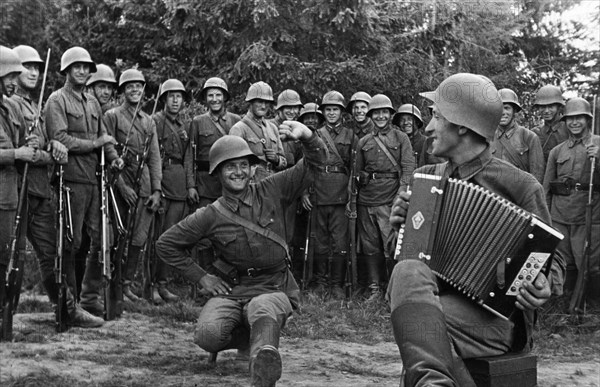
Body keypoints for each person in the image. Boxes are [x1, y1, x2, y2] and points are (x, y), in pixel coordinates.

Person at [386, 73, 565, 386]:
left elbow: (554, 260)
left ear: (462, 126)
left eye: (436, 117)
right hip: (432, 300)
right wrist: (398, 227)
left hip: (494, 319)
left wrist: (545, 283)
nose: (428, 128)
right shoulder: (426, 178)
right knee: (407, 278)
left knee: (416, 324)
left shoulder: (520, 186)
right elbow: (400, 256)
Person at [156, 122, 326, 387]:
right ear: (217, 173)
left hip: (274, 286)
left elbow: (315, 163)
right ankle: (251, 333)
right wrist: (202, 278)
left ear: (252, 168)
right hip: (233, 291)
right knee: (207, 335)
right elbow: (166, 244)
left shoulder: (273, 189)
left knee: (261, 306)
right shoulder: (209, 214)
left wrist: (306, 136)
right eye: (230, 167)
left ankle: (262, 361)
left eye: (243, 165)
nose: (238, 172)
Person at [10, 45, 102, 328]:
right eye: (28, 67)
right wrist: (49, 153)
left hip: (38, 190)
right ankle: (7, 314)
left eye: (38, 68)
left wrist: (54, 146)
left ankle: (66, 308)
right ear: (12, 71)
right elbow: (19, 150)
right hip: (15, 191)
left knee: (53, 255)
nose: (34, 72)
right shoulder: (10, 104)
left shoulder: (34, 106)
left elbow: (51, 139)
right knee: (12, 257)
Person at [45, 46, 123, 319]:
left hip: (94, 180)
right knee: (71, 241)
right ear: (66, 70)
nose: (81, 71)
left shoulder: (91, 102)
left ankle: (89, 299)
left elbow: (104, 137)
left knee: (99, 239)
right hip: (71, 181)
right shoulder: (57, 101)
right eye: (76, 67)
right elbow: (59, 138)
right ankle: (68, 304)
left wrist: (113, 157)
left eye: (85, 67)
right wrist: (94, 145)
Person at [103, 68, 162, 302]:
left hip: (144, 180)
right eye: (130, 86)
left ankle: (127, 284)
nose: (135, 89)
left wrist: (157, 190)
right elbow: (107, 150)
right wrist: (120, 186)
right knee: (119, 234)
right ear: (122, 91)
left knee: (139, 237)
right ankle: (112, 283)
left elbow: (155, 157)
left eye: (139, 86)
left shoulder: (149, 121)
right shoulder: (113, 116)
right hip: (121, 177)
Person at [356, 95, 414, 300]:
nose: (380, 116)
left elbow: (408, 168)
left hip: (390, 200)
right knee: (370, 246)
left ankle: (393, 289)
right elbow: (357, 172)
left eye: (384, 112)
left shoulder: (401, 138)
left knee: (392, 246)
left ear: (390, 115)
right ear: (371, 116)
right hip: (366, 200)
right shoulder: (363, 141)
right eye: (376, 113)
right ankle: (374, 288)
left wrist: (401, 194)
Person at [543, 97, 599, 302]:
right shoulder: (558, 151)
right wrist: (545, 216)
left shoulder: (598, 143)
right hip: (560, 215)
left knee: (590, 262)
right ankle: (567, 302)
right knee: (565, 262)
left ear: (587, 119)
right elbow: (547, 185)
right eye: (570, 119)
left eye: (579, 118)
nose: (574, 123)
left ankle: (592, 305)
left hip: (588, 215)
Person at [186, 77, 240, 269]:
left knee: (231, 231)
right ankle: (206, 278)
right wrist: (191, 185)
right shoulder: (197, 122)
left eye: (218, 95)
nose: (215, 99)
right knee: (205, 232)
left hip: (230, 186)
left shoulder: (236, 121)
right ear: (205, 99)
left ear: (225, 97)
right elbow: (190, 156)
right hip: (205, 186)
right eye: (211, 95)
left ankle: (230, 276)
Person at [306, 90, 356, 297]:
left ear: (342, 112)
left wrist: (351, 197)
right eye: (328, 109)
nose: (332, 113)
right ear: (323, 112)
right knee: (320, 240)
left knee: (339, 241)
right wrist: (304, 192)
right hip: (318, 190)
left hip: (340, 194)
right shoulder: (315, 134)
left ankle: (336, 283)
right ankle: (320, 282)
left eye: (335, 109)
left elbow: (354, 168)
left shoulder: (351, 136)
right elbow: (306, 165)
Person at [151, 78, 190, 303]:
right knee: (156, 237)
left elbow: (186, 157)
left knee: (170, 237)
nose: (175, 101)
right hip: (162, 182)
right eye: (171, 96)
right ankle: (151, 286)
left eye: (179, 97)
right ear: (164, 98)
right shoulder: (155, 121)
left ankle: (163, 284)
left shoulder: (183, 126)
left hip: (179, 185)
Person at [230, 81, 286, 182]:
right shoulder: (239, 129)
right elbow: (232, 164)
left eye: (267, 102)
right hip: (251, 185)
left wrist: (276, 160)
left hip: (272, 183)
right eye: (259, 102)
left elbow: (283, 161)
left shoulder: (272, 128)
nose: (264, 106)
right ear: (251, 102)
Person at [491, 88, 544, 182]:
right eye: (499, 108)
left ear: (514, 110)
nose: (503, 112)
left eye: (507, 108)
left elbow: (537, 176)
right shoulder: (488, 137)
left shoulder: (529, 137)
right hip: (493, 194)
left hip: (519, 194)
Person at [532, 85, 569, 165]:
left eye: (551, 106)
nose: (546, 111)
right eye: (542, 107)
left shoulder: (569, 129)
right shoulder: (535, 133)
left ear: (559, 107)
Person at [392, 103, 425, 168]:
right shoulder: (394, 143)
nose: (405, 123)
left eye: (409, 119)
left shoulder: (427, 143)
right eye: (402, 120)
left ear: (417, 122)